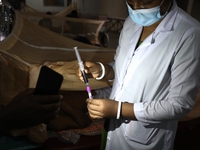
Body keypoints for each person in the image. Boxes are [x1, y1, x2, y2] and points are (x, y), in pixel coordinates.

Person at [77, 0, 200, 149]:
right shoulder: (131, 22)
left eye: (145, 2)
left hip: (145, 139)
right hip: (113, 131)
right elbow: (124, 68)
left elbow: (179, 105)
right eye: (130, 1)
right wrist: (102, 70)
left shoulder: (189, 33)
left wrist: (118, 109)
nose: (136, 9)